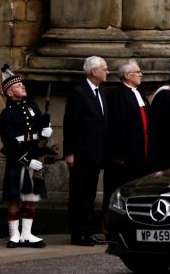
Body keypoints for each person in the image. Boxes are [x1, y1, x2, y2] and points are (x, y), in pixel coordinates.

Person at [0, 66, 51, 248]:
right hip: (18, 157)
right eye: (18, 85)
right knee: (15, 198)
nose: (22, 87)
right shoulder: (7, 114)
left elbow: (39, 133)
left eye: (22, 84)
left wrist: (46, 132)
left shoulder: (33, 107)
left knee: (31, 197)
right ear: (10, 93)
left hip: (35, 155)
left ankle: (27, 234)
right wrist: (26, 159)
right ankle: (14, 235)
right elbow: (9, 140)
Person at [62, 56, 108, 246]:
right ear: (93, 71)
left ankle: (87, 231)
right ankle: (77, 233)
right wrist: (69, 152)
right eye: (104, 69)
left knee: (89, 194)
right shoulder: (78, 93)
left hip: (96, 152)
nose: (107, 72)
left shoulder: (102, 92)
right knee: (79, 194)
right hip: (81, 152)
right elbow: (70, 124)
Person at [103, 61, 151, 216]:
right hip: (127, 151)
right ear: (127, 76)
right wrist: (119, 153)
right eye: (138, 72)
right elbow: (117, 125)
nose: (141, 75)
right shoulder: (117, 95)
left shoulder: (140, 93)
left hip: (141, 149)